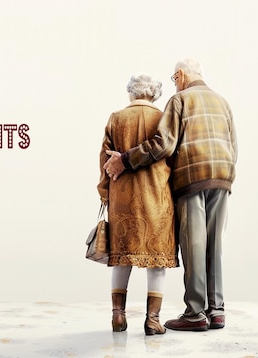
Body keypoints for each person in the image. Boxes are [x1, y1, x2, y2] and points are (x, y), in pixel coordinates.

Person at [103, 58, 238, 331]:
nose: (174, 85)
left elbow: (164, 144)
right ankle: (216, 311)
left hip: (190, 180)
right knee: (214, 246)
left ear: (180, 75)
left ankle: (194, 314)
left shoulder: (178, 102)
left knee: (193, 246)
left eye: (174, 79)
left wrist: (123, 163)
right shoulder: (222, 102)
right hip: (220, 178)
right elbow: (233, 144)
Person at [97, 73, 179, 335]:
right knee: (157, 261)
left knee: (122, 258)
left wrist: (103, 192)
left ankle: (118, 316)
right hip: (157, 197)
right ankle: (153, 320)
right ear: (154, 93)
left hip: (122, 198)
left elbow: (104, 160)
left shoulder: (116, 118)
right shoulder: (162, 119)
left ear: (131, 92)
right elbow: (173, 157)